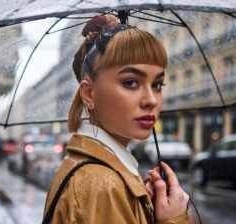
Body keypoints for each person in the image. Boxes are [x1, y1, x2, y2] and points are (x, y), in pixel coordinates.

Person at [43, 14, 193, 223]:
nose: (151, 100)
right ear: (88, 93)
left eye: (157, 84)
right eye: (131, 82)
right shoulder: (102, 185)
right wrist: (175, 219)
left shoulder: (98, 173)